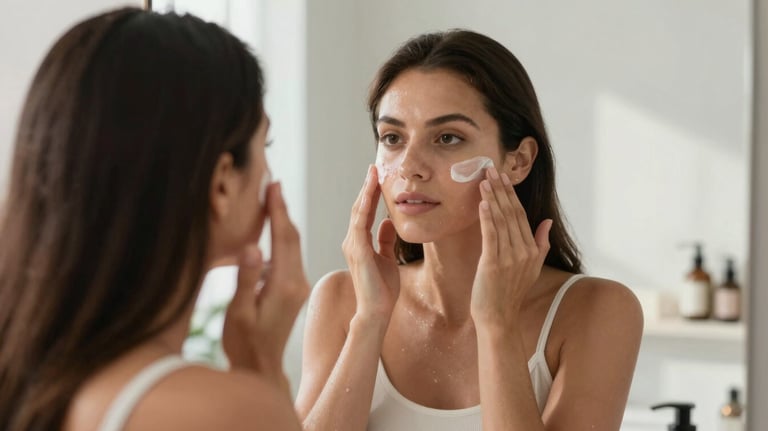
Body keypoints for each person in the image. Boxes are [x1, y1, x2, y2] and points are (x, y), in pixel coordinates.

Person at [295, 29, 643, 430]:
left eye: (447, 137)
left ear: (518, 161)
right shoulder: (341, 300)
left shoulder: (596, 311)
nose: (409, 166)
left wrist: (497, 323)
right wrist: (370, 319)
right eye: (392, 137)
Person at [0, 7, 307, 431]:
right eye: (264, 143)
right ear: (221, 183)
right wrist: (262, 367)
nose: (270, 173)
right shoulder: (223, 413)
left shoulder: (28, 373)